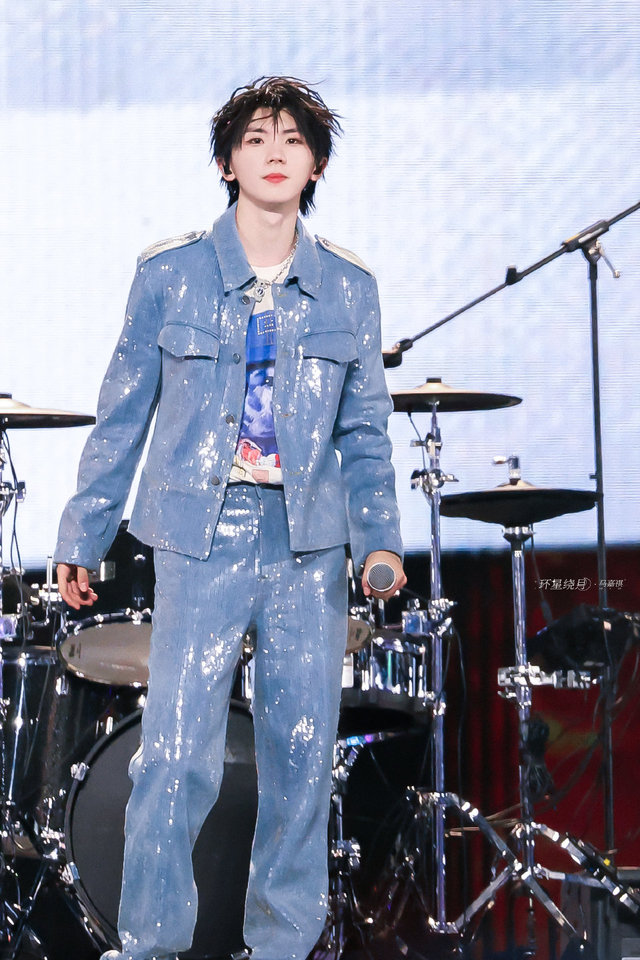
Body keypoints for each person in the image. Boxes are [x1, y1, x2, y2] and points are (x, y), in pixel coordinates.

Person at [55, 76, 406, 960]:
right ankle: (149, 946)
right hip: (199, 538)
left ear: (316, 164)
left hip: (308, 545)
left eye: (292, 140)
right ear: (227, 162)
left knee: (300, 757)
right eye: (256, 139)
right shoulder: (168, 275)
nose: (274, 152)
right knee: (175, 755)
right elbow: (121, 417)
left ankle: (282, 947)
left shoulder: (349, 288)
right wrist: (82, 536)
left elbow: (366, 433)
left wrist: (380, 545)